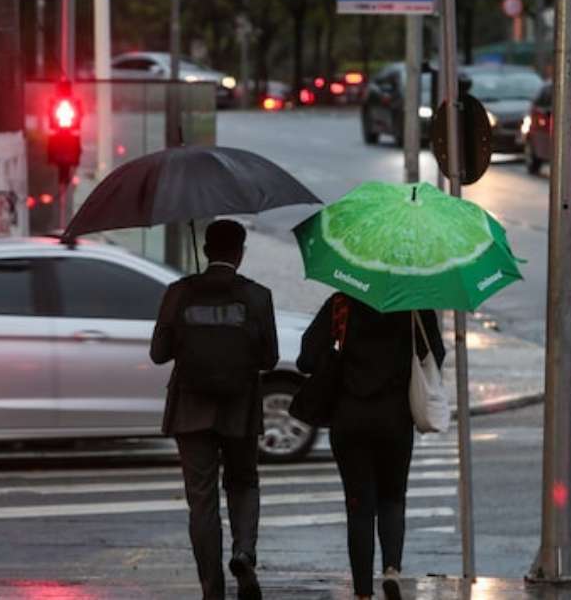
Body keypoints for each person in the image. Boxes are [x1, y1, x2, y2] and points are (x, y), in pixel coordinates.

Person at [150, 220, 278, 600]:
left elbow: (158, 354)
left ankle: (211, 588)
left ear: (205, 251)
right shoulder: (257, 296)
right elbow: (269, 358)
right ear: (240, 252)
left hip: (191, 409)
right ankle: (244, 552)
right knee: (244, 482)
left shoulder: (179, 293)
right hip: (239, 407)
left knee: (201, 500)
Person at [298, 294, 445, 600]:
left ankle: (363, 592)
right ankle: (391, 568)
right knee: (392, 498)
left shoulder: (342, 304)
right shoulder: (414, 304)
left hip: (349, 418)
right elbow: (435, 355)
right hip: (395, 419)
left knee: (359, 507)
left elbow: (307, 359)